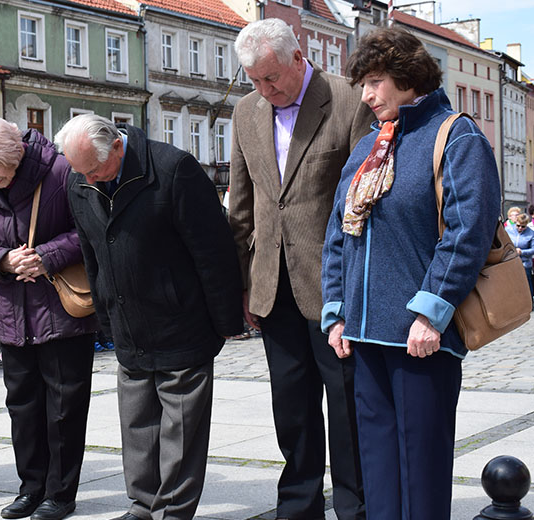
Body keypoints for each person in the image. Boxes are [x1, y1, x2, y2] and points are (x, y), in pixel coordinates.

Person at [321, 28, 501, 518]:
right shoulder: (366, 149)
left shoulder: (456, 135)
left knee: (421, 467)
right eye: (362, 84)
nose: (366, 95)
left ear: (406, 77)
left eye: (375, 82)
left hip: (420, 337)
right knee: (377, 466)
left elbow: (467, 233)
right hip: (364, 334)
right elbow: (339, 233)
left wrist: (431, 312)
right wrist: (335, 311)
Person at [54, 114, 243, 520]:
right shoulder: (79, 180)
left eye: (94, 169)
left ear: (118, 147)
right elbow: (91, 254)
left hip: (181, 320)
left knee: (181, 430)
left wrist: (226, 321)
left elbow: (213, 250)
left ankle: (172, 512)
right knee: (137, 426)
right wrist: (104, 312)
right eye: (80, 170)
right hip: (127, 323)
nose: (88, 179)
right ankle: (143, 505)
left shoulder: (173, 169)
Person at [228, 18, 373, 520]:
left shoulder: (349, 100)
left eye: (273, 79)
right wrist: (243, 285)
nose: (265, 91)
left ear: (298, 57)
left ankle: (355, 505)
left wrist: (358, 285)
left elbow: (368, 200)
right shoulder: (247, 112)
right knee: (291, 405)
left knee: (347, 403)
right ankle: (299, 504)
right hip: (273, 284)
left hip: (336, 284)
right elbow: (241, 208)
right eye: (255, 82)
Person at [0, 116, 97, 520]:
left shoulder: (61, 170)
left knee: (64, 408)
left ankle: (60, 492)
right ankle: (30, 488)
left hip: (61, 311)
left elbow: (88, 229)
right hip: (11, 315)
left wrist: (45, 256)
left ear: (17, 152)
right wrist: (3, 260)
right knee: (22, 409)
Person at [507, 213, 534, 299]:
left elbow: (533, 250)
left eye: (523, 227)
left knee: (527, 284)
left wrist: (522, 252)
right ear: (516, 222)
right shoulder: (508, 230)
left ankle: (529, 301)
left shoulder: (531, 233)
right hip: (510, 261)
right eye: (518, 225)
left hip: (525, 263)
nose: (520, 228)